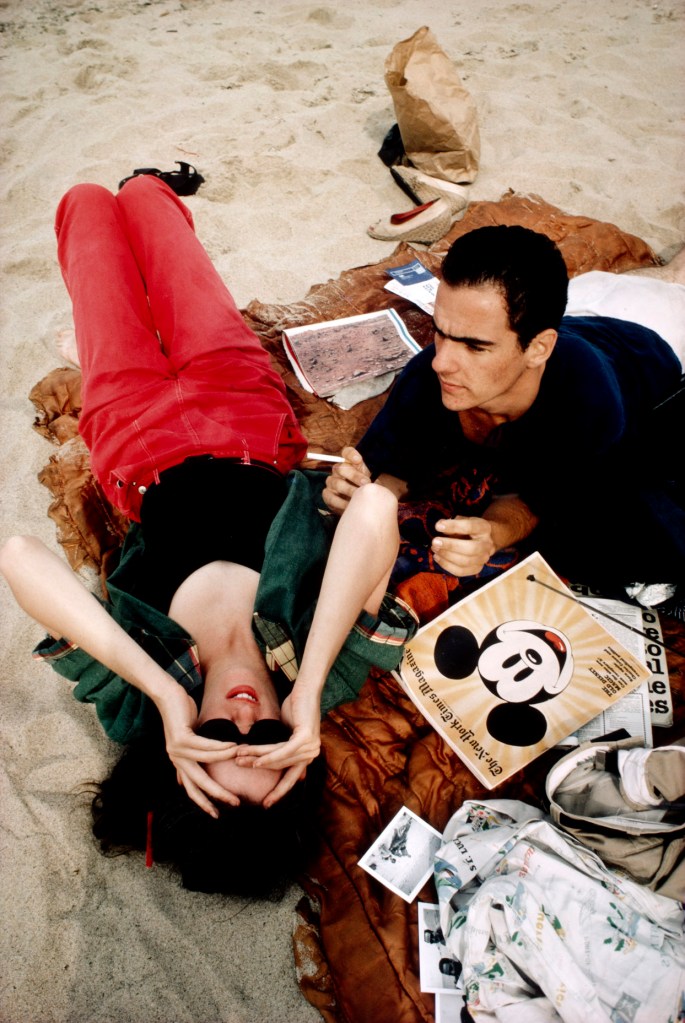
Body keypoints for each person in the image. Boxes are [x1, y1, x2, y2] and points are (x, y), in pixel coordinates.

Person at [0, 176, 417, 896]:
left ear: (181, 753)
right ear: (300, 748)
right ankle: (154, 184)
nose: (247, 715)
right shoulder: (321, 677)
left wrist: (165, 693)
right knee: (149, 211)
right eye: (269, 741)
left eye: (222, 737)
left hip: (132, 434)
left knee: (84, 208)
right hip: (244, 413)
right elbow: (375, 512)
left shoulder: (141, 702)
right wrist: (310, 685)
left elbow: (18, 558)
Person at [323, 225, 685, 601]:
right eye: (440, 332)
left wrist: (492, 534)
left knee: (674, 281)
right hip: (560, 315)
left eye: (475, 347)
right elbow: (392, 472)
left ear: (539, 349)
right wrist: (357, 492)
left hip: (654, 332)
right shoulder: (426, 373)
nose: (442, 363)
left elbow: (541, 502)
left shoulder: (588, 403)